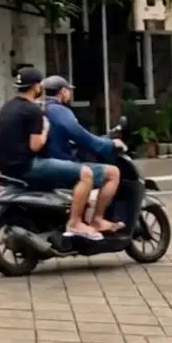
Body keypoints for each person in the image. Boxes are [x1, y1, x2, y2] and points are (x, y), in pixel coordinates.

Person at [0, 66, 103, 240]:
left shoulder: (7, 107)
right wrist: (45, 128)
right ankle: (75, 223)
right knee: (86, 174)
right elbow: (35, 146)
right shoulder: (33, 110)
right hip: (26, 166)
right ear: (37, 86)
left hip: (4, 167)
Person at [41, 75, 125, 234]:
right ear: (63, 92)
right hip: (60, 162)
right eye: (69, 91)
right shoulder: (60, 111)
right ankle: (97, 220)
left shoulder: (40, 108)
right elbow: (81, 136)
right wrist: (109, 144)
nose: (70, 94)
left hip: (44, 161)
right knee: (113, 173)